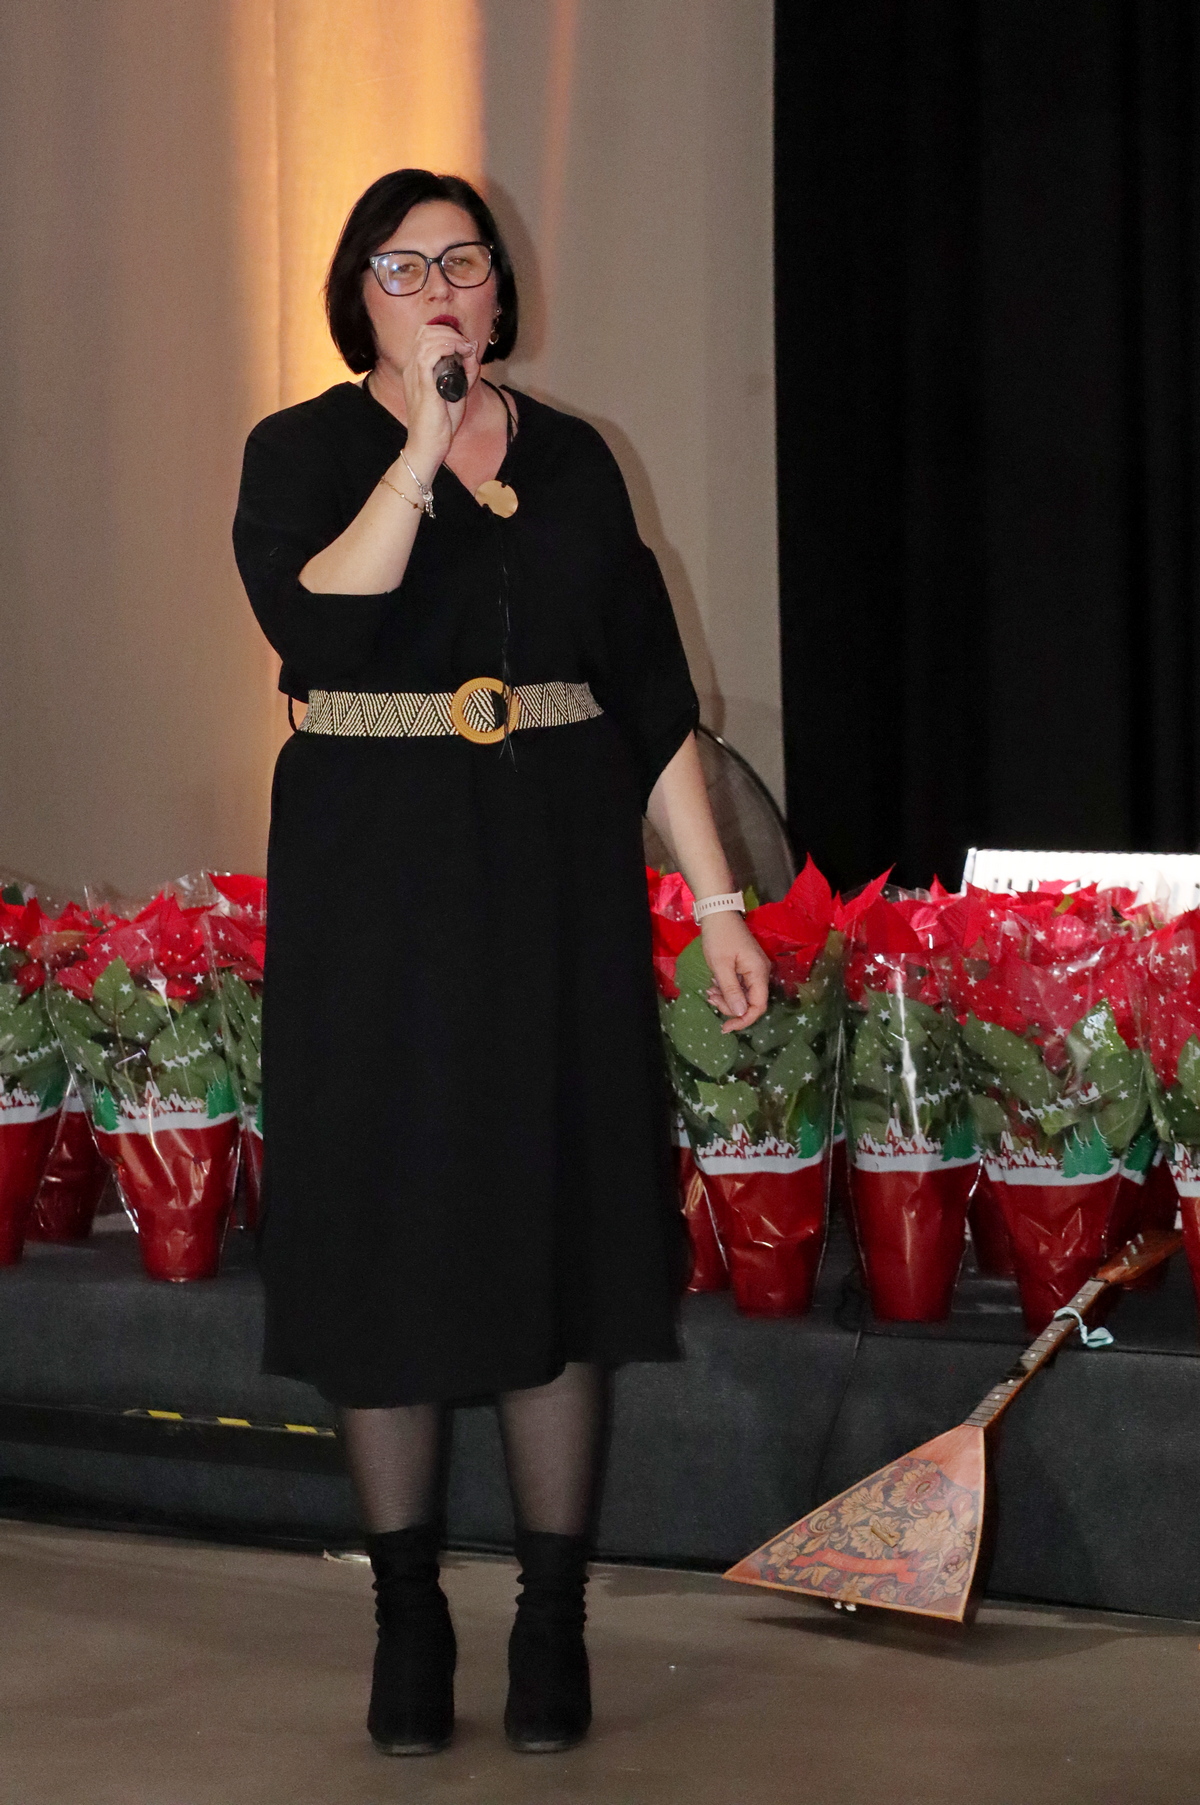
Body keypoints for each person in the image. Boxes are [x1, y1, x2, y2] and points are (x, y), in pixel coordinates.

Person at [233, 168, 769, 1759]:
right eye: (402, 268)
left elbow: (651, 695)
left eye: (461, 261)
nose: (439, 287)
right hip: (372, 886)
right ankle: (407, 1612)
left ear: (498, 287)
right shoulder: (301, 451)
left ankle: (553, 1614)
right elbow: (319, 627)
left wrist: (719, 902)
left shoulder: (578, 458)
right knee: (386, 1224)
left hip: (549, 878)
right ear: (359, 298)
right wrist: (421, 444)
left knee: (555, 1221)